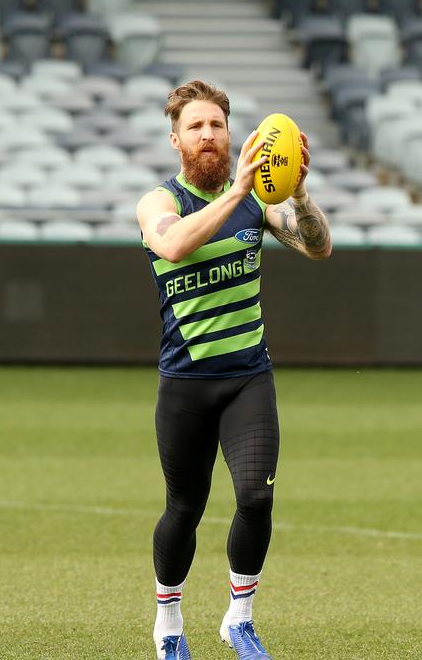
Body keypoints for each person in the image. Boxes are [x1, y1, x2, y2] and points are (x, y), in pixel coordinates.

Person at [135, 80, 332, 660]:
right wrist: (239, 190)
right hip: (185, 384)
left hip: (248, 377)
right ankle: (168, 624)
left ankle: (238, 619)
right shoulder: (158, 202)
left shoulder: (258, 203)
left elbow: (318, 248)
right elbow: (172, 247)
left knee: (255, 497)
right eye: (195, 127)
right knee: (185, 507)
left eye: (216, 125)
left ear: (230, 135)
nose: (207, 135)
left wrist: (298, 194)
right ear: (176, 140)